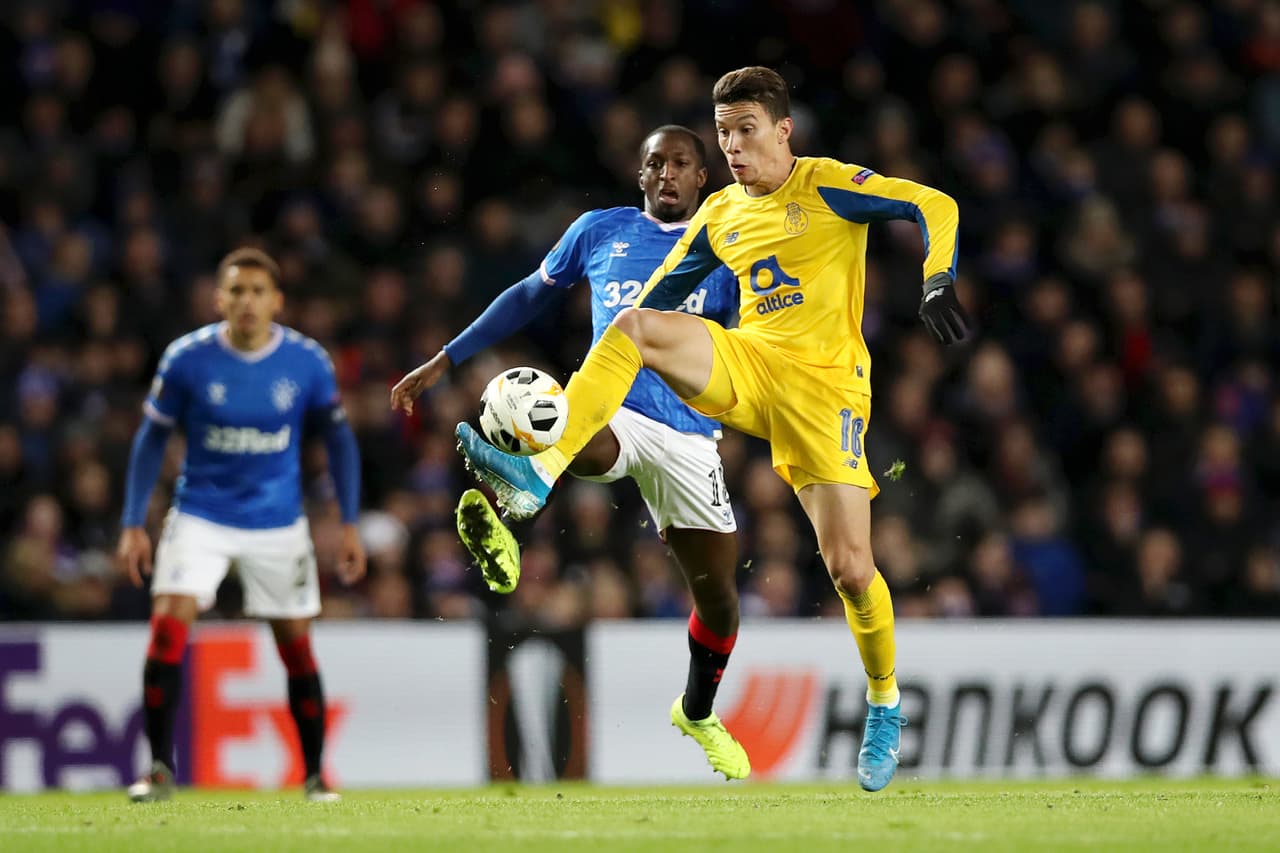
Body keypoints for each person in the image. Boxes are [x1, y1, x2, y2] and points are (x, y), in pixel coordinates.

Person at [454, 68, 971, 792]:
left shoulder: (826, 185)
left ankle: (884, 699)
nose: (732, 145)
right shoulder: (721, 213)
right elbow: (663, 292)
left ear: (784, 131)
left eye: (746, 129)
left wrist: (937, 276)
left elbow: (932, 202)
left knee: (852, 569)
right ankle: (536, 474)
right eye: (724, 132)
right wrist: (627, 351)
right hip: (750, 366)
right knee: (635, 322)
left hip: (827, 394)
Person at [392, 125, 751, 779]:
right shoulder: (600, 231)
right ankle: (518, 488)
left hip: (691, 435)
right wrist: (448, 357)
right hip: (611, 412)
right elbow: (530, 294)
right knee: (566, 424)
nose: (666, 172)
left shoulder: (730, 245)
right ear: (639, 175)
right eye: (653, 163)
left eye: (680, 163)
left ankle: (697, 709)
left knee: (720, 597)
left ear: (704, 177)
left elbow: (757, 346)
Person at [117, 248, 366, 802]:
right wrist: (133, 521)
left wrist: (349, 523)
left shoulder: (307, 362)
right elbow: (151, 436)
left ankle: (316, 775)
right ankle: (159, 769)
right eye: (236, 291)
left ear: (276, 301)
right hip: (202, 513)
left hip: (277, 521)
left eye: (257, 291)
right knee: (166, 629)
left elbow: (340, 439)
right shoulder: (187, 359)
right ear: (219, 299)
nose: (246, 301)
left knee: (295, 647)